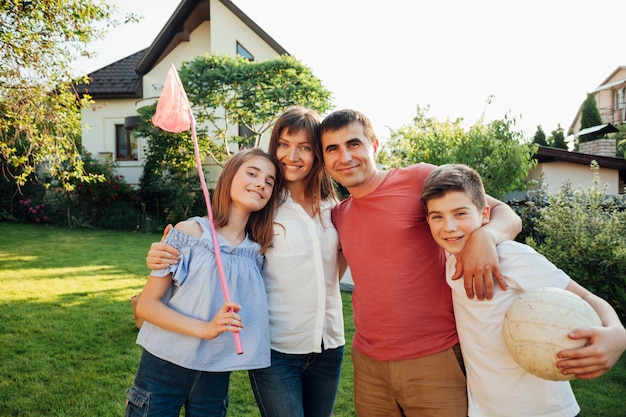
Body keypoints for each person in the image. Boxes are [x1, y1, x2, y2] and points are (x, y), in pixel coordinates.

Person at [319, 109, 522, 417]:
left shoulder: (417, 179)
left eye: (353, 144)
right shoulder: (337, 214)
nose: (344, 156)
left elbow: (505, 213)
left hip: (435, 357)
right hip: (368, 364)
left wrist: (485, 237)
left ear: (374, 146)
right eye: (332, 149)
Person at [147, 106, 347, 417]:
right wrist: (165, 250)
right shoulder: (265, 206)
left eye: (305, 147)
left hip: (329, 341)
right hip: (278, 344)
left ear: (317, 153)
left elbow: (338, 259)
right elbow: (220, 239)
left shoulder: (333, 207)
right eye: (283, 144)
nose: (292, 155)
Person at [420, 163, 626, 417]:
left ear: (485, 214)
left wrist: (617, 332)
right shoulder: (450, 260)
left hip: (543, 410)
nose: (449, 226)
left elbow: (584, 296)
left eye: (460, 213)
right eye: (437, 216)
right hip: (485, 410)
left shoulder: (510, 256)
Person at [125, 148, 283, 417]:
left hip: (215, 372)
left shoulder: (257, 252)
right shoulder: (189, 232)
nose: (261, 183)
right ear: (230, 176)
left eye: (269, 182)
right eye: (252, 173)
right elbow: (146, 306)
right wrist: (205, 328)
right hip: (163, 365)